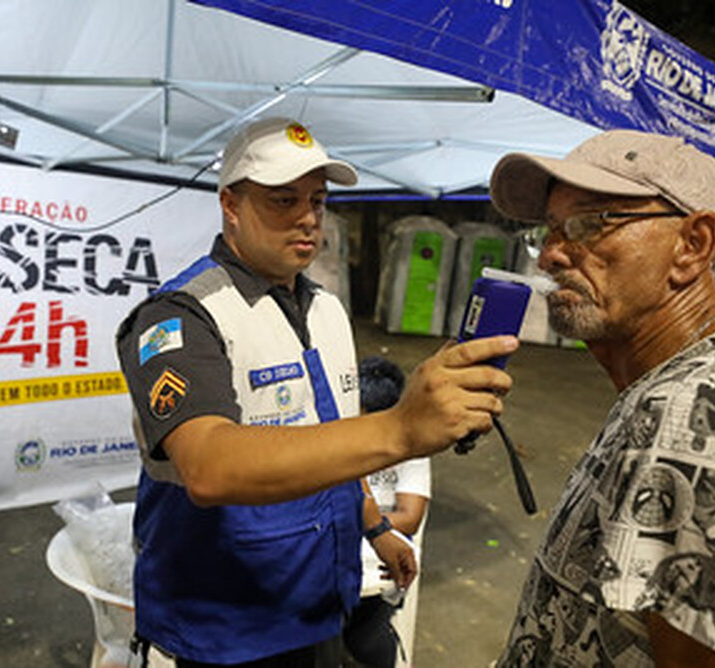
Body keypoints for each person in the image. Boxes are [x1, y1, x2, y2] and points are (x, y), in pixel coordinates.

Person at [115, 117, 518, 667]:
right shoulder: (179, 317)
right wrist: (401, 427)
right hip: (228, 624)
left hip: (321, 598)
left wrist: (376, 529)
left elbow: (332, 440)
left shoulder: (324, 308)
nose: (308, 218)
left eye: (318, 200)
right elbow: (209, 467)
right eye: (283, 200)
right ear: (230, 204)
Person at [488, 129, 715, 667]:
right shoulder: (672, 389)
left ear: (693, 245)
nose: (549, 256)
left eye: (591, 224)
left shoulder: (712, 420)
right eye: (547, 231)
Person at [343, 356, 431, 668]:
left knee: (366, 639)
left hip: (380, 560)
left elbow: (410, 516)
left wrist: (359, 522)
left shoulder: (411, 447)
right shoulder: (339, 436)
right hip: (347, 552)